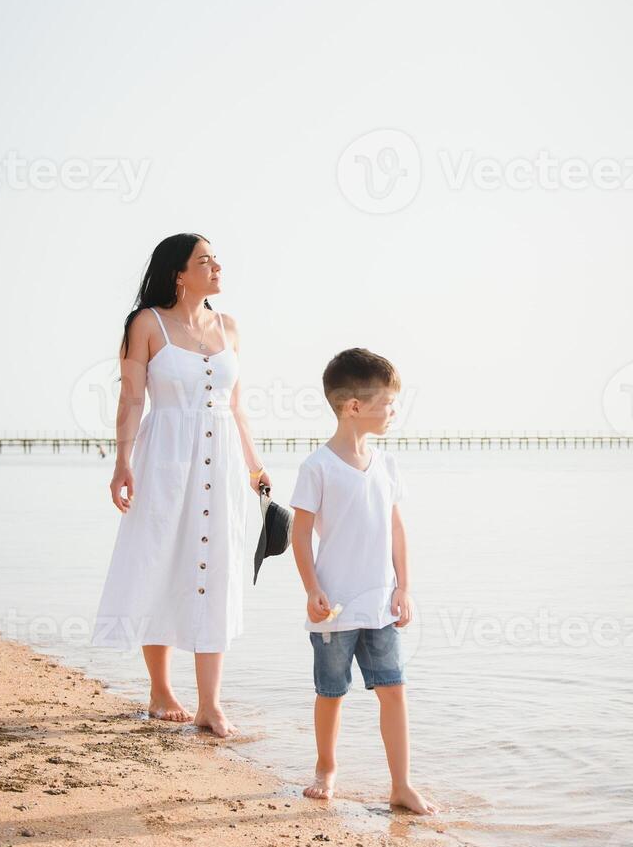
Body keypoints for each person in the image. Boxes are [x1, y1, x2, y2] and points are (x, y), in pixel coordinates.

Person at [91, 233, 271, 737]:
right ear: (178, 273)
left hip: (222, 461)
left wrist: (255, 468)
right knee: (160, 558)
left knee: (216, 568)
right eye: (204, 260)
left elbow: (237, 406)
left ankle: (210, 704)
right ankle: (161, 690)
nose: (217, 267)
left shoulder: (229, 326)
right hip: (165, 455)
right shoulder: (145, 324)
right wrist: (121, 462)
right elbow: (131, 400)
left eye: (216, 259)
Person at [289, 349, 437, 814]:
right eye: (387, 403)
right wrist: (312, 588)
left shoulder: (386, 465)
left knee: (394, 690)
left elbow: (397, 529)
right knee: (331, 692)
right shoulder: (318, 466)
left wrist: (404, 586)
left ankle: (401, 784)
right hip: (333, 606)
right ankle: (326, 768)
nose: (394, 412)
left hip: (380, 605)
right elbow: (300, 534)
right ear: (354, 406)